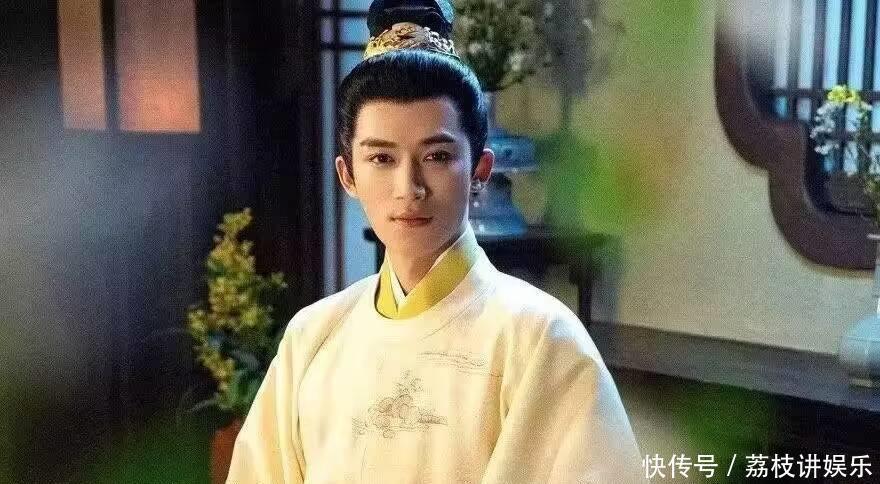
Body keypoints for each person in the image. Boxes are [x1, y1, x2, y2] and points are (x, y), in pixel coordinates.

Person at [226, 1, 645, 482]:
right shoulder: (312, 338)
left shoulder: (540, 339)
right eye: (382, 159)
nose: (409, 188)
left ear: (480, 170)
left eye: (437, 156)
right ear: (348, 175)